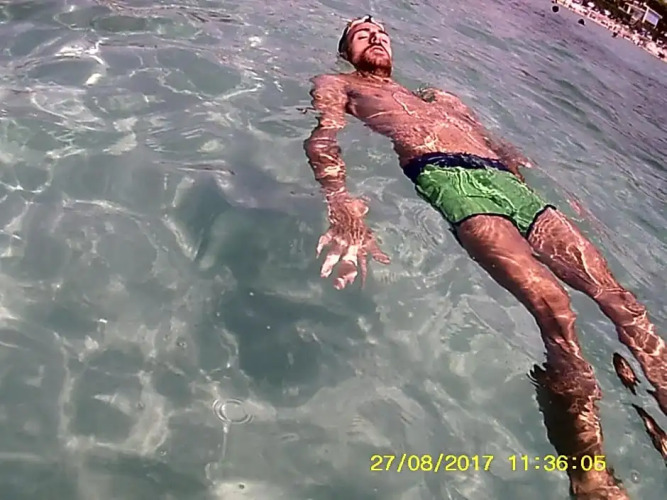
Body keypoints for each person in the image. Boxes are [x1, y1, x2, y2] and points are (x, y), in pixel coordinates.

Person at [303, 15, 666, 498]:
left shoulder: (439, 97)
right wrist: (340, 200)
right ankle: (589, 474)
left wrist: (554, 192)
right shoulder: (338, 84)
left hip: (510, 186)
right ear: (345, 51)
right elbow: (323, 138)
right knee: (554, 307)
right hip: (447, 176)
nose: (375, 37)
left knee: (621, 301)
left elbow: (500, 146)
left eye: (382, 33)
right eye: (361, 34)